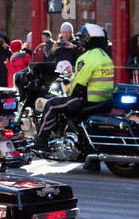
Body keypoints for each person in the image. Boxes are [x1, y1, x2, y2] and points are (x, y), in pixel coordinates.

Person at [32, 23, 114, 164]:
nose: (80, 41)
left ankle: (40, 144)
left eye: (83, 38)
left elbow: (77, 85)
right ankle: (90, 160)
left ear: (90, 39)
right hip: (104, 100)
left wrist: (69, 92)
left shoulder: (87, 57)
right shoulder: (105, 56)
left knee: (52, 104)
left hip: (88, 100)